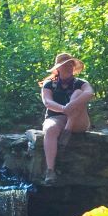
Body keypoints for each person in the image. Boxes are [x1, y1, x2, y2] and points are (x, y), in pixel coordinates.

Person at [38, 52, 93, 182]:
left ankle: (68, 128)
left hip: (78, 120)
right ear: (58, 68)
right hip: (56, 118)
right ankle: (50, 170)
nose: (68, 68)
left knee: (79, 93)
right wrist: (64, 109)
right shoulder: (49, 84)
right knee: (50, 129)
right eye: (65, 65)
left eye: (70, 65)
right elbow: (47, 102)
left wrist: (71, 105)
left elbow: (89, 93)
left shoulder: (80, 83)